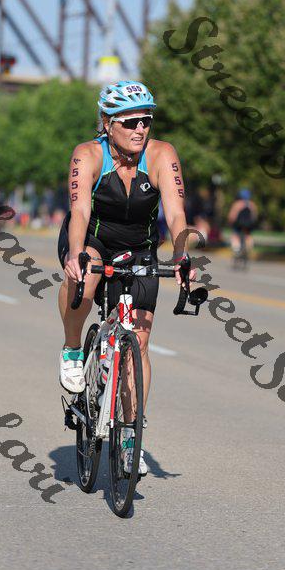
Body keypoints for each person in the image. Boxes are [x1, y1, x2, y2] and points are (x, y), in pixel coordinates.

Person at [57, 80, 196, 474]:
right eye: (130, 121)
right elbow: (80, 210)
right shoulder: (87, 154)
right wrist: (76, 250)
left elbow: (176, 213)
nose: (140, 129)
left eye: (146, 121)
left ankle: (131, 436)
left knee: (140, 342)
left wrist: (182, 254)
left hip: (140, 246)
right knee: (85, 277)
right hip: (93, 238)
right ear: (107, 123)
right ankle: (72, 348)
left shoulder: (162, 154)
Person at [227, 188, 257, 254]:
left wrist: (230, 223)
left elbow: (232, 216)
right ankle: (248, 249)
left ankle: (236, 250)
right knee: (248, 236)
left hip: (239, 224)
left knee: (235, 235)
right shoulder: (252, 204)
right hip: (248, 224)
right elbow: (254, 216)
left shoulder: (237, 204)